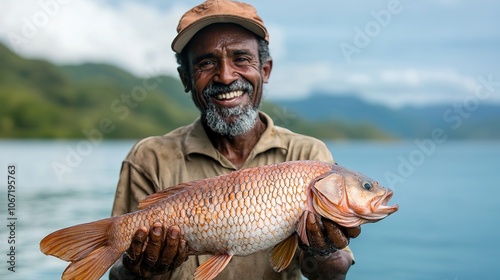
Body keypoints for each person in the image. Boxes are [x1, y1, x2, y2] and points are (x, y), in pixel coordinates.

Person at [109, 0, 361, 279]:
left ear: (265, 70)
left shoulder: (308, 153)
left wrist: (324, 252)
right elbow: (120, 275)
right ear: (185, 79)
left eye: (241, 59)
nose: (226, 76)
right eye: (206, 62)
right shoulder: (149, 158)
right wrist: (137, 267)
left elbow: (332, 275)